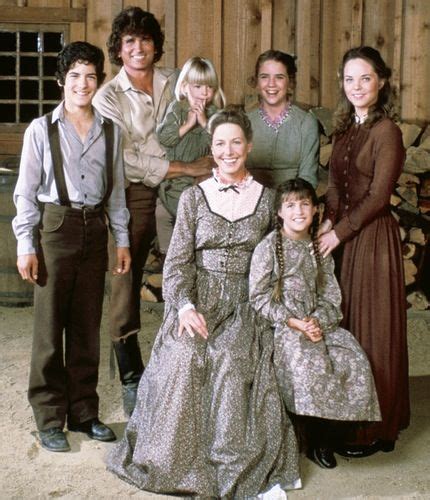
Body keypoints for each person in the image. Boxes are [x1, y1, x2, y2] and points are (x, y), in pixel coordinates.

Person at [106, 107, 301, 497]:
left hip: (246, 304)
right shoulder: (195, 198)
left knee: (229, 362)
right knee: (184, 354)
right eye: (219, 144)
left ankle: (230, 465)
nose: (228, 151)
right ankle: (174, 463)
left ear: (248, 145)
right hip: (199, 300)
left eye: (235, 143)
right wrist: (184, 307)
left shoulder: (268, 201)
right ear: (211, 148)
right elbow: (178, 263)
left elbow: (277, 263)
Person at [93, 7, 213, 417]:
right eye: (129, 42)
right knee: (125, 279)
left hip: (185, 188)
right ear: (119, 49)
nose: (138, 48)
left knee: (200, 266)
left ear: (155, 46)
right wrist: (181, 164)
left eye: (145, 40)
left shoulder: (175, 82)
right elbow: (122, 160)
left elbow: (200, 121)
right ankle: (130, 376)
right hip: (135, 195)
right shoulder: (106, 97)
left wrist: (191, 163)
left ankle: (200, 359)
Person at [12, 41, 131, 452]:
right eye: (75, 76)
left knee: (86, 326)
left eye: (91, 76)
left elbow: (116, 194)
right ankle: (48, 417)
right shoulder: (41, 130)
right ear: (62, 80)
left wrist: (122, 240)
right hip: (55, 227)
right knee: (49, 327)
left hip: (95, 229)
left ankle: (83, 412)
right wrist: (25, 244)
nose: (83, 84)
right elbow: (25, 194)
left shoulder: (111, 131)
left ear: (99, 81)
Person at [249, 178, 381, 470]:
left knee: (353, 359)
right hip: (284, 326)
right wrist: (294, 322)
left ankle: (335, 436)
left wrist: (318, 321)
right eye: (291, 205)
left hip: (317, 323)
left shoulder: (317, 248)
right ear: (280, 212)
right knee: (310, 365)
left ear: (316, 209)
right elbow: (258, 298)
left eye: (305, 204)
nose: (299, 211)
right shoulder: (269, 248)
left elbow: (331, 297)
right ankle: (314, 440)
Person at [318, 46, 410, 457]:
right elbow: (336, 183)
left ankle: (379, 429)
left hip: (372, 242)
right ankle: (349, 418)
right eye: (349, 79)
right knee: (348, 331)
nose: (356, 87)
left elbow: (378, 197)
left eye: (365, 78)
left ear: (382, 82)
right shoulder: (344, 128)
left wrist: (339, 233)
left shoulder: (387, 131)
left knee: (374, 333)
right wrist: (326, 220)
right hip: (343, 236)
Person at [155, 56, 226, 260]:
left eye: (209, 87)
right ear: (185, 87)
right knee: (162, 214)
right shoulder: (176, 109)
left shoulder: (215, 114)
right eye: (198, 86)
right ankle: (168, 257)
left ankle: (191, 254)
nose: (204, 93)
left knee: (191, 215)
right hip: (174, 178)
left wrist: (204, 122)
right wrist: (187, 125)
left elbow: (219, 143)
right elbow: (165, 137)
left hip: (200, 180)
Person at [246, 49, 319, 189]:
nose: (271, 84)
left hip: (292, 203)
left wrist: (289, 207)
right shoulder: (244, 123)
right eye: (264, 77)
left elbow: (308, 178)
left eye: (279, 77)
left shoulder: (306, 122)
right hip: (249, 203)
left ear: (290, 82)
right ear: (257, 82)